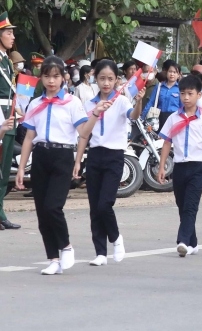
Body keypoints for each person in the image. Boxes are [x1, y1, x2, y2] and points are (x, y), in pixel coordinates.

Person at [14, 56, 88, 275]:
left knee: (52, 207)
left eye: (56, 76)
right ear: (41, 78)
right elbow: (29, 137)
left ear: (63, 77)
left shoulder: (72, 102)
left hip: (62, 156)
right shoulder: (35, 104)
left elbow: (83, 133)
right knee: (41, 212)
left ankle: (66, 245)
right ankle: (53, 258)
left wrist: (95, 115)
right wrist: (21, 167)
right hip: (40, 157)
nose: (51, 81)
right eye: (46, 76)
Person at [74, 59, 145, 266]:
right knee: (94, 207)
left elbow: (133, 116)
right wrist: (78, 161)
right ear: (95, 78)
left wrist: (138, 101)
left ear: (117, 80)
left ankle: (115, 238)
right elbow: (84, 135)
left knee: (105, 204)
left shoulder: (121, 101)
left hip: (114, 156)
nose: (106, 83)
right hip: (94, 156)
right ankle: (100, 253)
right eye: (102, 78)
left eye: (110, 79)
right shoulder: (89, 104)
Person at [157, 74, 202, 256]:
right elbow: (167, 142)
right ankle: (192, 242)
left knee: (191, 206)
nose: (186, 97)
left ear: (199, 95)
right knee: (181, 204)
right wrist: (162, 167)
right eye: (182, 93)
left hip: (198, 167)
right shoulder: (173, 118)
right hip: (179, 167)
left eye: (190, 93)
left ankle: (183, 240)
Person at [0, 15, 22, 230]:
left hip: (9, 117)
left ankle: (0, 212)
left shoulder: (7, 60)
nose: (12, 36)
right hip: (0, 119)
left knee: (5, 171)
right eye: (8, 32)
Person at [143, 59, 182, 131]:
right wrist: (142, 117)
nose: (172, 74)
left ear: (178, 75)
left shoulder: (181, 89)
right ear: (166, 72)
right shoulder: (159, 86)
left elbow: (182, 107)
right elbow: (150, 103)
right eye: (170, 71)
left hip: (175, 118)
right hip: (159, 118)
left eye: (175, 72)